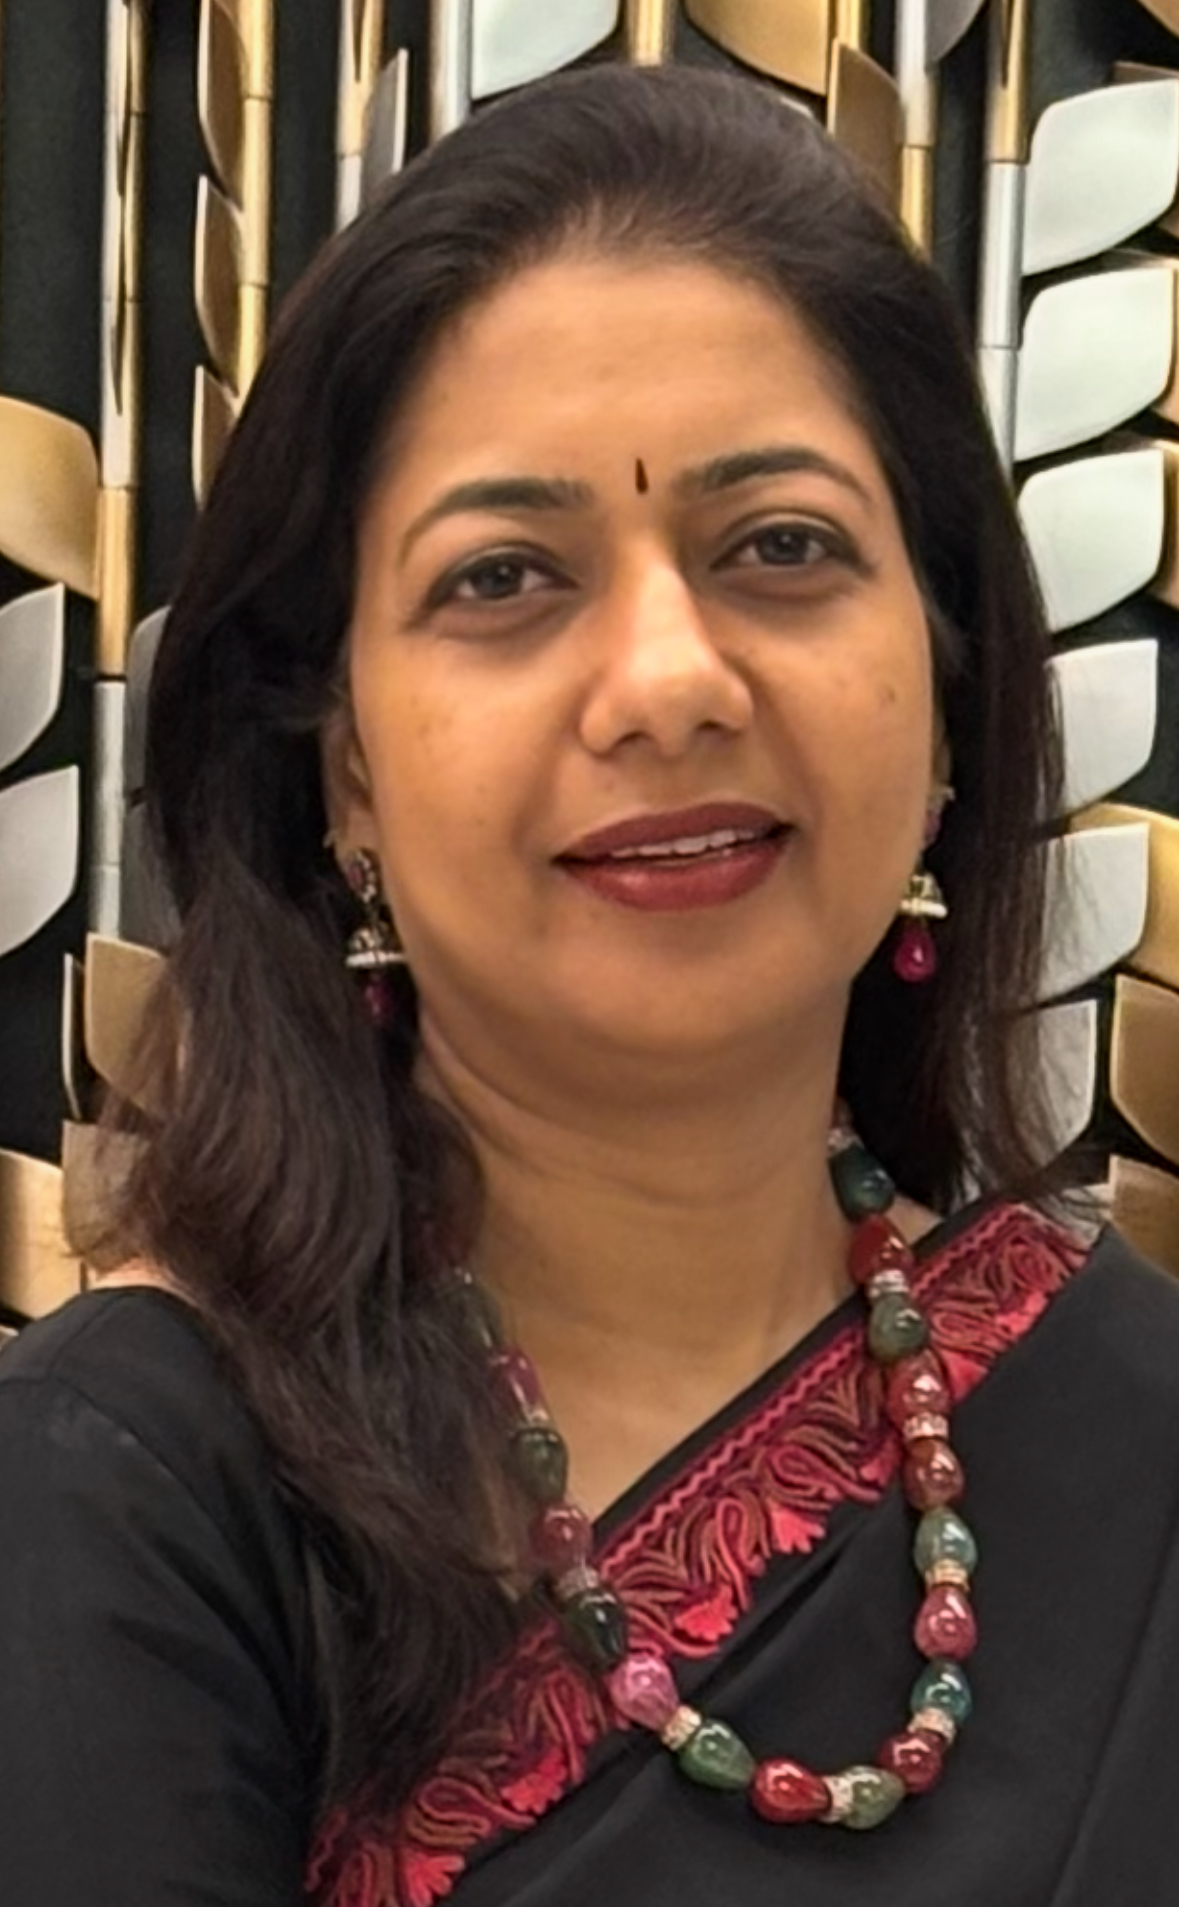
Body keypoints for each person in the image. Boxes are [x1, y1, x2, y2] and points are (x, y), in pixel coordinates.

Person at [1, 59, 1178, 1907]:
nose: (669, 681)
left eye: (780, 547)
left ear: (949, 700)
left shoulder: (1136, 1431)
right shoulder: (138, 1489)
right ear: (347, 771)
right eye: (505, 578)